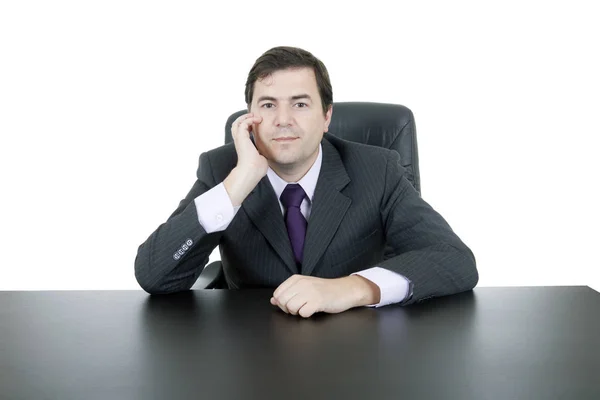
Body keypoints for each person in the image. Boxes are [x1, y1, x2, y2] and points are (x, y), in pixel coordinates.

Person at [135, 46, 478, 318]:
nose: (282, 120)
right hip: (251, 347)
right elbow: (154, 274)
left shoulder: (377, 169)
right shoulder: (222, 169)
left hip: (358, 346)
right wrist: (237, 185)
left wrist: (352, 288)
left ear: (326, 116)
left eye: (300, 104)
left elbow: (455, 260)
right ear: (249, 118)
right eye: (268, 105)